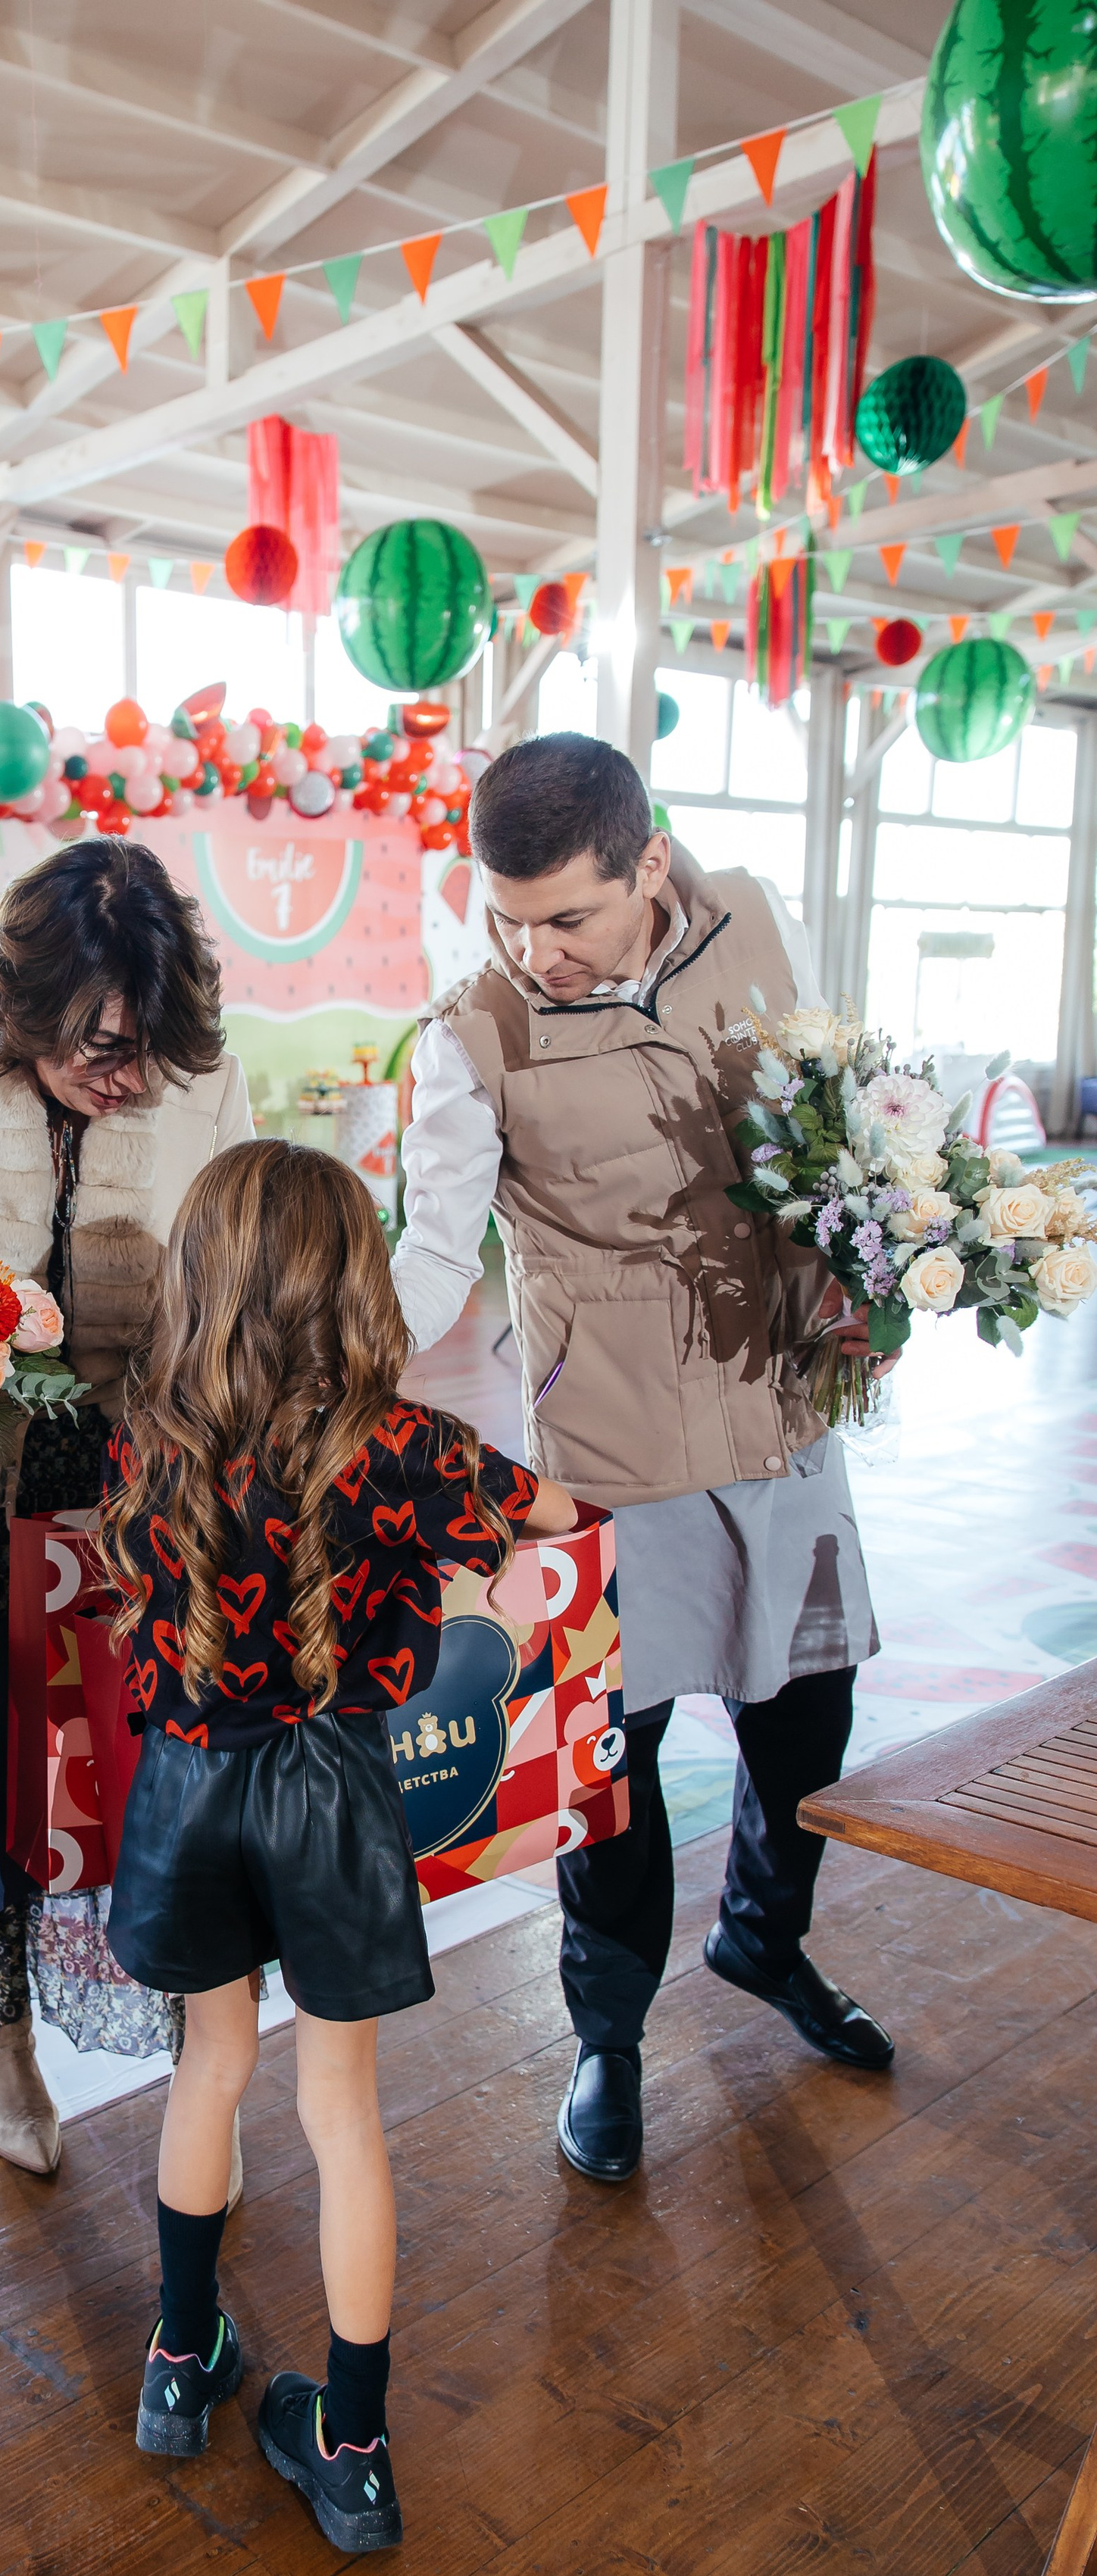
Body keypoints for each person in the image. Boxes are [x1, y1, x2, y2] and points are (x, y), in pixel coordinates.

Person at [392, 731, 895, 2188]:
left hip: (781, 1400)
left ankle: (763, 1940)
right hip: (608, 1435)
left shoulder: (751, 917)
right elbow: (435, 1249)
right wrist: (328, 1356)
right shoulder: (468, 1033)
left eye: (568, 917)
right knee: (609, 1766)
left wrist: (882, 1252)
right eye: (506, 915)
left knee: (808, 1711)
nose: (532, 948)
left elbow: (825, 1118)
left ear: (651, 866)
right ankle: (607, 2037)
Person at [95, 1142, 573, 2550]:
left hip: (189, 1791)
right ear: (354, 1278)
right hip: (333, 1798)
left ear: (199, 1277)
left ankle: (181, 2364)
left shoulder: (147, 1431)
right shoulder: (405, 1443)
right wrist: (497, 1569)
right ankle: (352, 2449)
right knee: (342, 2117)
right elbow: (551, 1511)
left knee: (210, 2067)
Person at [0, 835, 254, 2175]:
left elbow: (245, 1277)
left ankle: (204, 2061)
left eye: (145, 1045)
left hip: (138, 1487)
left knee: (155, 1776)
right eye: (93, 1044)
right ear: (22, 1009)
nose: (125, 1074)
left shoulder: (205, 1085)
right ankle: (0, 2031)